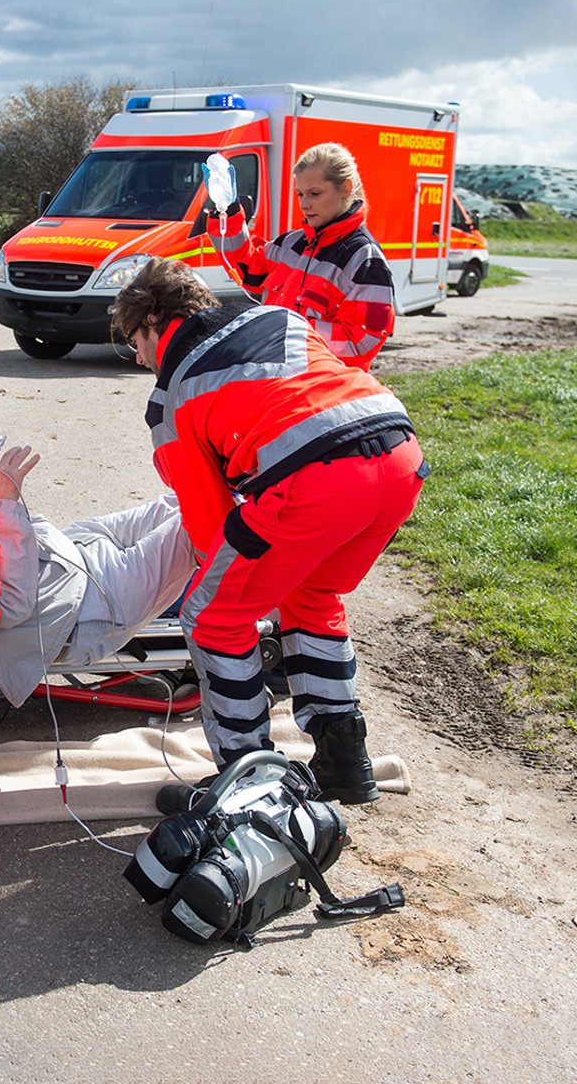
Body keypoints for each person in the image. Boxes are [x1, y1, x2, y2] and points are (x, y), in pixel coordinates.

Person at [110, 258, 426, 809]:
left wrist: (226, 586)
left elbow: (210, 524)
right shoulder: (277, 317)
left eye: (134, 338)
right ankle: (345, 761)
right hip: (399, 461)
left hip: (316, 482)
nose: (137, 355)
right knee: (312, 595)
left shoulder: (173, 395)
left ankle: (246, 781)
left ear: (156, 322)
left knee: (212, 616)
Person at [0, 441, 196, 704]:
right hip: (87, 607)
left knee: (186, 497)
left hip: (71, 550)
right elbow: (12, 604)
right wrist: (3, 504)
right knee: (198, 517)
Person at [206, 142, 399, 369]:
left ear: (346, 188)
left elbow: (361, 343)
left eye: (315, 194)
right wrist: (227, 211)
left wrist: (287, 332)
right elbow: (247, 267)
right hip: (277, 380)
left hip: (326, 392)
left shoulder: (364, 258)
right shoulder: (293, 243)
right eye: (299, 194)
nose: (304, 204)